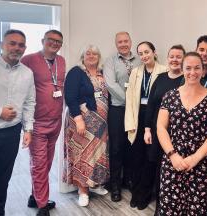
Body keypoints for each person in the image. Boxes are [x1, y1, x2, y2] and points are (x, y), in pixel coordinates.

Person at [157, 52, 207, 215]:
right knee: (170, 208)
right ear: (182, 69)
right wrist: (173, 155)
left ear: (203, 70)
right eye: (188, 68)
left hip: (202, 164)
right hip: (173, 162)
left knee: (197, 209)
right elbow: (160, 127)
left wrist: (196, 158)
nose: (192, 72)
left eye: (197, 68)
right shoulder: (170, 96)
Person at [0, 29, 35, 216]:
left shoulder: (27, 73)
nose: (16, 48)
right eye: (12, 43)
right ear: (2, 45)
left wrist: (28, 129)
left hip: (12, 134)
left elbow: (29, 102)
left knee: (2, 181)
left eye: (21, 45)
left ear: (25, 48)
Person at [21, 29, 65, 216]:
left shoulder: (61, 61)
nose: (55, 43)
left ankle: (35, 195)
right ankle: (42, 205)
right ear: (43, 40)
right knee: (39, 164)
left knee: (46, 163)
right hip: (37, 122)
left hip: (56, 120)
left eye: (58, 41)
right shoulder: (29, 60)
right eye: (51, 40)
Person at [64, 45, 110, 207]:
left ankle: (94, 185)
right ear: (82, 56)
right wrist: (78, 120)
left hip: (101, 124)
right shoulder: (76, 72)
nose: (91, 56)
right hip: (82, 121)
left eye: (95, 53)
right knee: (82, 155)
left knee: (98, 155)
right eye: (88, 53)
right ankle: (82, 191)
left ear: (99, 56)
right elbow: (70, 96)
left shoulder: (102, 73)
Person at [125, 41, 167, 210]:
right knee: (137, 159)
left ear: (154, 52)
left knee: (150, 160)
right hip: (138, 119)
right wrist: (130, 125)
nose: (144, 56)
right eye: (140, 53)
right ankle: (135, 193)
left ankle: (145, 195)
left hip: (154, 120)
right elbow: (129, 100)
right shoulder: (135, 72)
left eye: (147, 52)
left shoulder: (164, 71)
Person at [143, 44, 185, 214]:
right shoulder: (160, 78)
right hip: (157, 130)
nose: (174, 60)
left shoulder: (186, 79)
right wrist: (147, 129)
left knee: (170, 172)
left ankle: (166, 207)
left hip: (177, 134)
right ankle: (151, 202)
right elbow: (151, 105)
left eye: (178, 56)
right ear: (167, 58)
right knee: (155, 167)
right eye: (172, 56)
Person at [103, 31, 140, 202]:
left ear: (131, 42)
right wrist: (129, 101)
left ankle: (129, 180)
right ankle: (115, 185)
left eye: (126, 41)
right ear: (116, 44)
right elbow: (110, 84)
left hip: (137, 110)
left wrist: (136, 105)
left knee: (132, 145)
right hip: (118, 110)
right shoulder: (110, 61)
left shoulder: (140, 58)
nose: (123, 44)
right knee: (117, 148)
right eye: (120, 42)